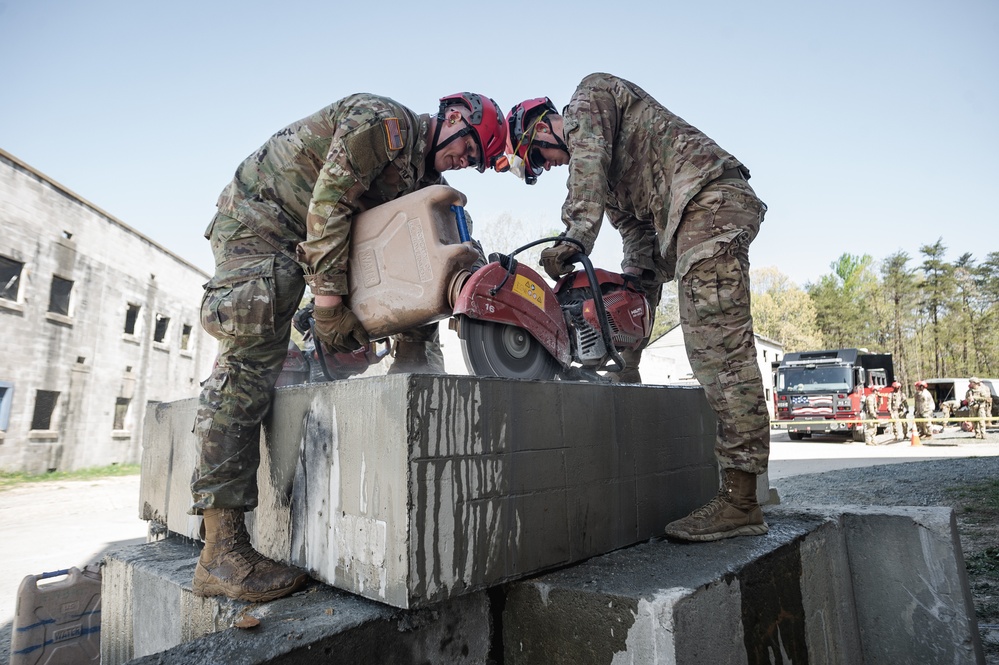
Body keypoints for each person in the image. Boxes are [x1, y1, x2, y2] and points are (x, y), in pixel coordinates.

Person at [192, 91, 509, 602]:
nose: (465, 162)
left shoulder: (425, 182)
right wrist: (329, 306)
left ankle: (401, 362)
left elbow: (421, 266)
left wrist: (417, 361)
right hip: (261, 223)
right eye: (469, 149)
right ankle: (221, 553)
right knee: (249, 363)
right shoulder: (382, 122)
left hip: (308, 236)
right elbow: (328, 206)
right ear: (453, 118)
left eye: (473, 161)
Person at [506, 74, 769, 542]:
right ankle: (746, 493)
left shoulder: (588, 99)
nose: (548, 167)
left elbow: (584, 165)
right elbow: (640, 251)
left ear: (544, 126)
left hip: (709, 201)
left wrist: (574, 236)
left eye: (540, 157)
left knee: (718, 350)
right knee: (708, 342)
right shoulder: (610, 186)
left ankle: (741, 501)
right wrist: (625, 353)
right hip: (693, 212)